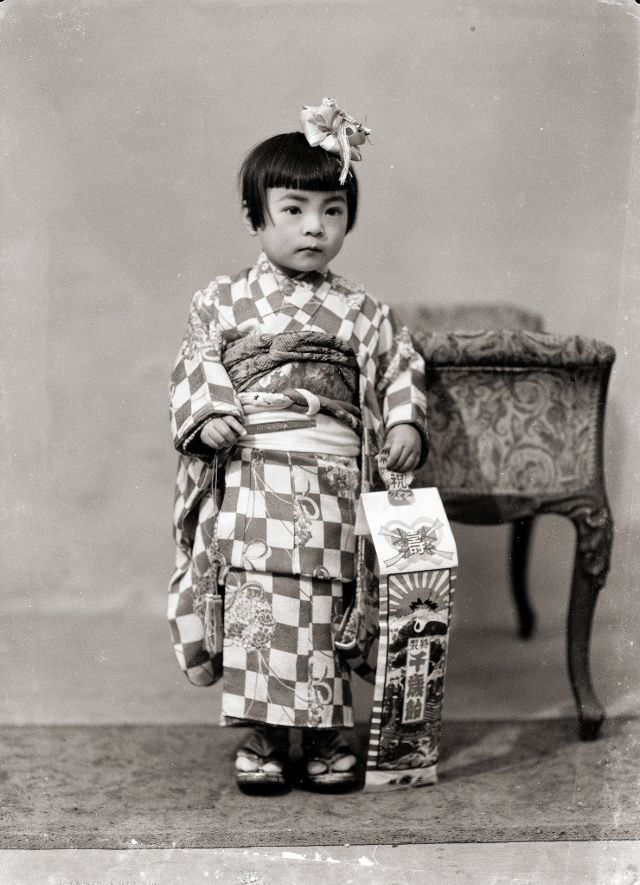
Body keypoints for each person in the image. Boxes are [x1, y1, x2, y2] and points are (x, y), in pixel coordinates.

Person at [169, 98, 428, 792]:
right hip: (255, 473)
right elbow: (197, 363)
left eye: (333, 210)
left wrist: (402, 422)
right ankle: (261, 733)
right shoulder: (220, 302)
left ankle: (319, 735)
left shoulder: (365, 311)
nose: (315, 225)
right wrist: (211, 415)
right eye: (293, 208)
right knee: (259, 602)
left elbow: (400, 366)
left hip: (334, 477)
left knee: (327, 604)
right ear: (256, 215)